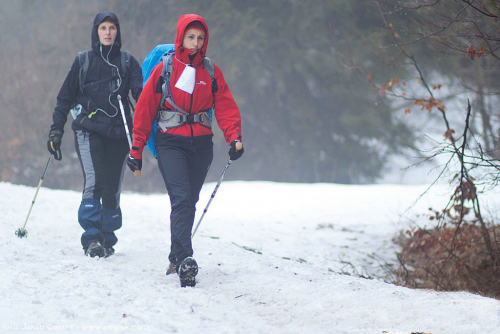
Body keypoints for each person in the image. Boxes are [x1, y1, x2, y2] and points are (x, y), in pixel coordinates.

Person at [127, 14, 244, 287]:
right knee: (181, 199)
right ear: (181, 38)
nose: (195, 43)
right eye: (191, 37)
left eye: (200, 38)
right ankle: (185, 260)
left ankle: (174, 255)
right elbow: (144, 112)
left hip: (202, 145)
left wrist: (234, 137)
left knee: (188, 200)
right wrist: (136, 149)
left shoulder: (211, 72)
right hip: (170, 143)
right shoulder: (164, 70)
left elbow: (225, 107)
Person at [47, 12, 143, 258]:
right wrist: (56, 130)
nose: (108, 32)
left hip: (120, 133)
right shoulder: (83, 61)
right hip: (88, 130)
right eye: (103, 28)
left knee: (112, 187)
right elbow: (64, 98)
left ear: (117, 32)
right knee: (95, 180)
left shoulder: (128, 62)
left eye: (112, 28)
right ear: (96, 32)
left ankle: (107, 238)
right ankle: (91, 238)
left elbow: (141, 98)